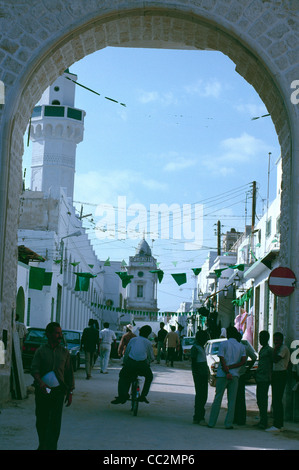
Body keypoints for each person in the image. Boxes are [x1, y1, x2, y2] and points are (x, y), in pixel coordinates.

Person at [31, 322, 74, 450]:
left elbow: (69, 373)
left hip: (58, 391)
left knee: (55, 422)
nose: (60, 335)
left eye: (61, 333)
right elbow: (34, 369)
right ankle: (42, 444)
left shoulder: (64, 352)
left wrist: (70, 392)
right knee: (42, 419)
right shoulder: (41, 351)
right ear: (48, 334)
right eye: (57, 333)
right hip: (43, 391)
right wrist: (41, 383)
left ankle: (52, 447)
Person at [208, 326, 246, 429]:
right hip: (235, 375)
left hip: (222, 375)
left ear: (228, 334)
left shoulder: (223, 344)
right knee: (232, 400)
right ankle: (228, 423)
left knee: (218, 399)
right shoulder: (241, 346)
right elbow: (243, 362)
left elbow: (222, 359)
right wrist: (231, 368)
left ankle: (212, 422)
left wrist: (227, 370)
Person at [111, 325, 154, 405]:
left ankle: (122, 396)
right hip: (142, 365)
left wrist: (125, 362)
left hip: (130, 363)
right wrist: (148, 362)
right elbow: (151, 357)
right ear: (148, 334)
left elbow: (127, 353)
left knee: (123, 376)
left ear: (139, 332)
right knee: (149, 377)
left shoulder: (133, 340)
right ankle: (143, 395)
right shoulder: (148, 342)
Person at [266, 331, 290, 432]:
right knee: (276, 400)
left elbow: (275, 359)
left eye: (277, 340)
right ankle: (279, 424)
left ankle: (277, 425)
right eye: (275, 340)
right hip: (276, 374)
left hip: (281, 374)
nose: (276, 342)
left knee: (277, 400)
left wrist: (275, 349)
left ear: (281, 340)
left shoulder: (283, 348)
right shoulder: (279, 348)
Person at [234, 332, 257, 425]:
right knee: (240, 397)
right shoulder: (245, 347)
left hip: (236, 373)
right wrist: (247, 368)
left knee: (235, 397)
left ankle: (236, 418)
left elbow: (254, 358)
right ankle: (240, 418)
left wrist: (247, 368)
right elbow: (254, 357)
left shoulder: (240, 347)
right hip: (241, 373)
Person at [255, 330, 273, 429]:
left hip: (265, 378)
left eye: (262, 338)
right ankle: (262, 419)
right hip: (260, 377)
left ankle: (264, 421)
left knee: (263, 400)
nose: (260, 340)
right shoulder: (262, 349)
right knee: (259, 400)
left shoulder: (269, 350)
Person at [191, 330, 209, 425]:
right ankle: (199, 416)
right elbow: (194, 362)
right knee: (201, 395)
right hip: (199, 375)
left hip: (202, 374)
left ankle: (198, 416)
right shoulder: (196, 348)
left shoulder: (201, 347)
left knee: (202, 396)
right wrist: (197, 373)